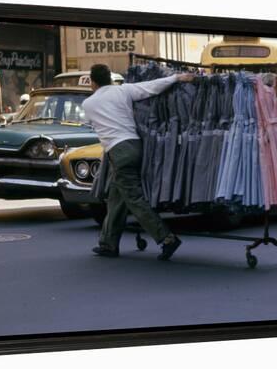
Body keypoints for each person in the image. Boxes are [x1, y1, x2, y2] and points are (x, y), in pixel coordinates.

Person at [82, 64, 195, 260]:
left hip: (118, 151)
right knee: (117, 196)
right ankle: (108, 243)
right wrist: (176, 78)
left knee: (134, 199)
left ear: (92, 82)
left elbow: (94, 126)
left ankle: (167, 238)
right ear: (110, 78)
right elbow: (150, 87)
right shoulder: (122, 91)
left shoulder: (88, 104)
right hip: (135, 145)